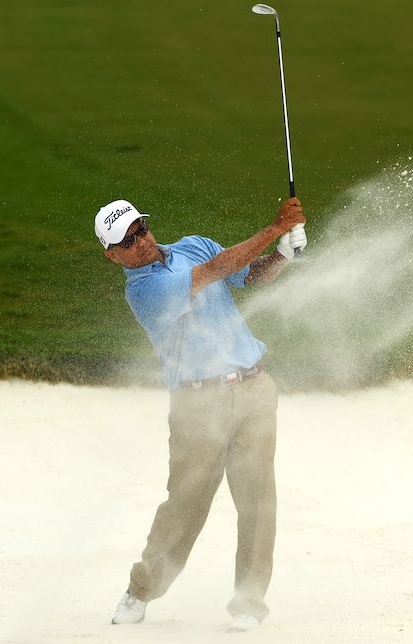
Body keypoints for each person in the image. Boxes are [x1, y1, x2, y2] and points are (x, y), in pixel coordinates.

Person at [94, 196, 307, 633]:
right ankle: (141, 590)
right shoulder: (143, 291)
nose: (142, 241)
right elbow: (214, 273)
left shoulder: (194, 245)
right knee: (186, 507)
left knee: (258, 500)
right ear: (113, 254)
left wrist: (283, 253)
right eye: (129, 241)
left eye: (142, 229)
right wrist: (273, 228)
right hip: (197, 405)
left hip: (253, 390)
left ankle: (249, 601)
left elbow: (248, 274)